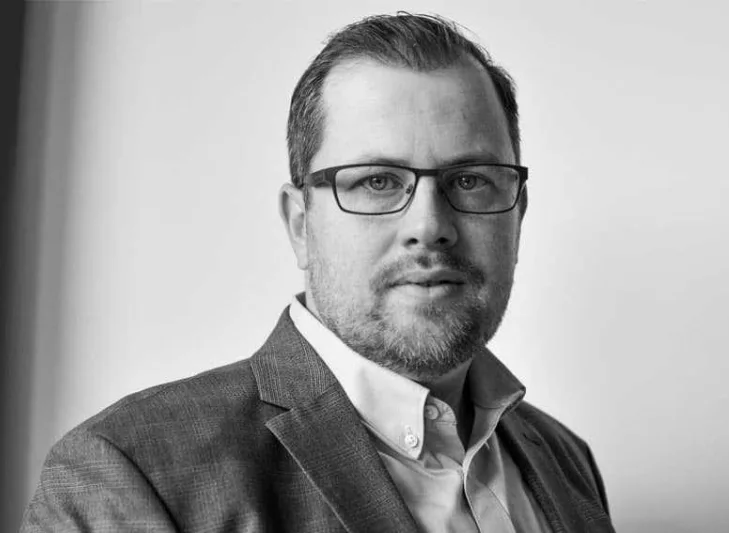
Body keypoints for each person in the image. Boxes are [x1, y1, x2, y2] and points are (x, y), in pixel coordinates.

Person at [21, 13, 615, 533]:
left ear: (518, 213)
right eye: (377, 181)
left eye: (470, 180)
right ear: (301, 223)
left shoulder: (564, 459)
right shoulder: (132, 471)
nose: (430, 225)